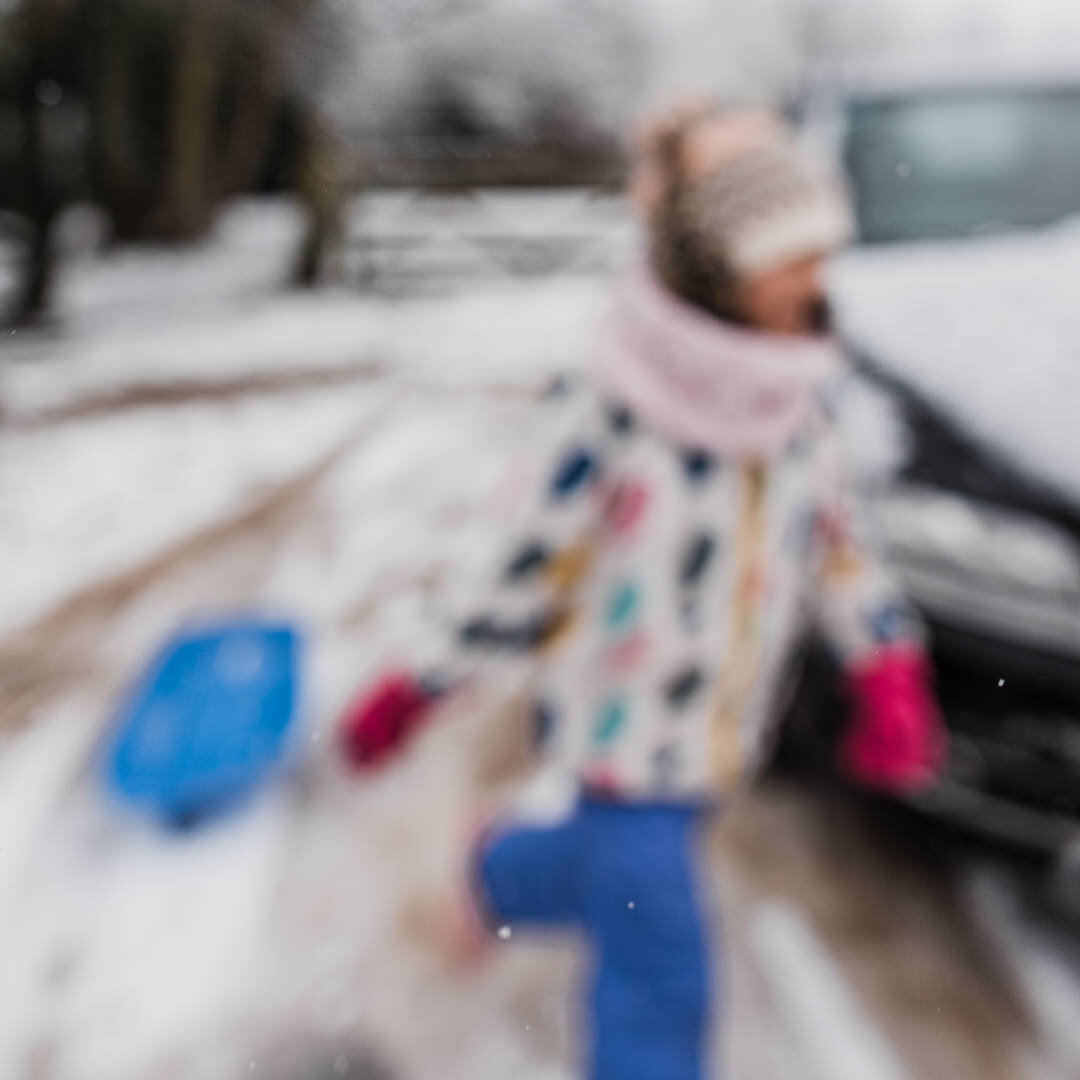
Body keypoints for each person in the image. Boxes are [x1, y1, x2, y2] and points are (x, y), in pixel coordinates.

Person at [338, 100, 946, 1080]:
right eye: (793, 260)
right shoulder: (608, 411)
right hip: (615, 731)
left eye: (824, 256)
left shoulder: (795, 401)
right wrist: (422, 682)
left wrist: (886, 662)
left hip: (721, 727)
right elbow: (514, 563)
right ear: (722, 275)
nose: (819, 282)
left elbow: (840, 548)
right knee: (662, 969)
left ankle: (493, 872)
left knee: (614, 871)